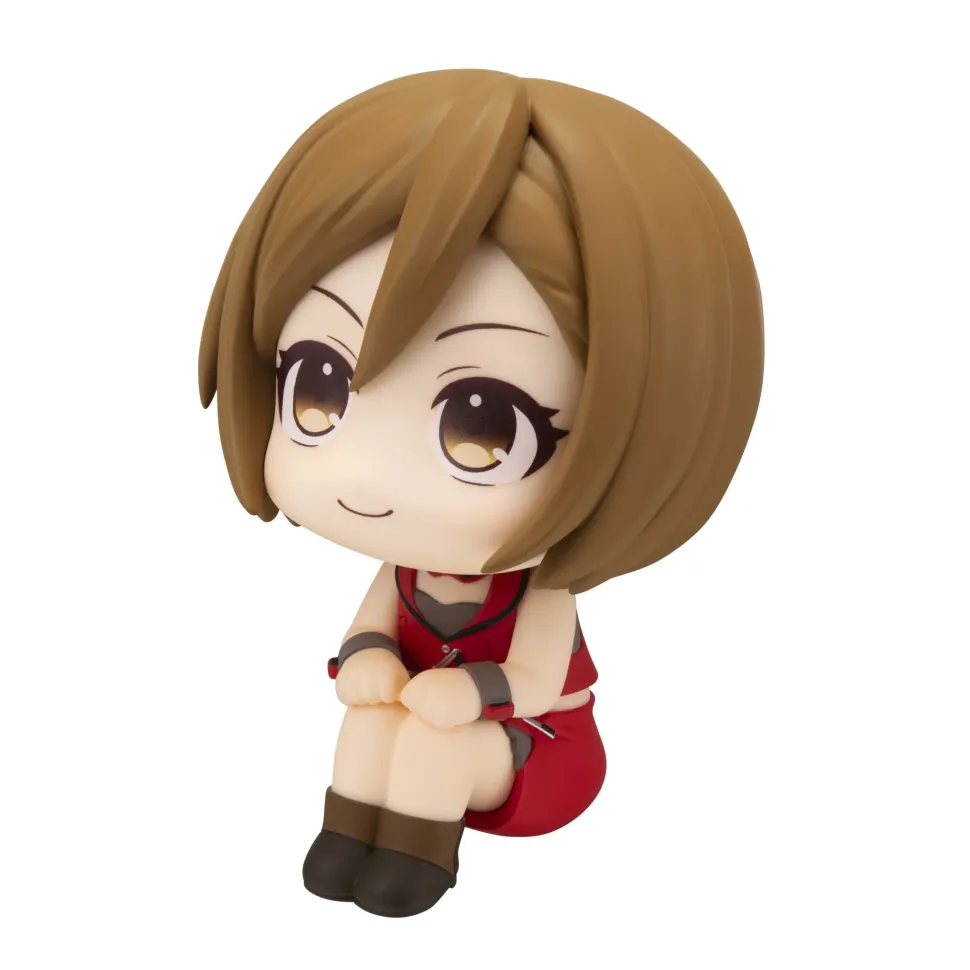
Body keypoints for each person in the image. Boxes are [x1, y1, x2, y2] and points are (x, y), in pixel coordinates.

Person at [198, 69, 763, 917]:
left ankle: (417, 860)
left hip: (537, 749)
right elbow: (368, 631)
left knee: (434, 747)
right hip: (425, 721)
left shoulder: (541, 591)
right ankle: (347, 837)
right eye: (317, 385)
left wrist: (468, 694)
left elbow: (535, 675)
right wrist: (370, 659)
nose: (367, 475)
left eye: (488, 425)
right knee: (369, 724)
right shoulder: (405, 568)